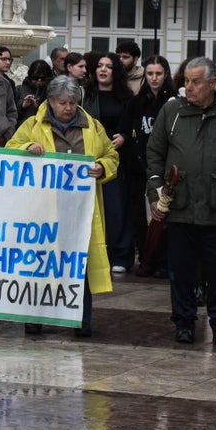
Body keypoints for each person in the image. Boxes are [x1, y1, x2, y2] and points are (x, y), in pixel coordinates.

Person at [147, 57, 216, 347]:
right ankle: (183, 322)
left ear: (213, 82)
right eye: (186, 80)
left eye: (196, 81)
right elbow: (154, 156)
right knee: (181, 271)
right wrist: (155, 193)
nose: (189, 87)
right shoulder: (172, 110)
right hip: (180, 205)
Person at [7, 75, 118, 338]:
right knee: (40, 263)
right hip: (43, 209)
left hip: (81, 210)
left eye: (72, 102)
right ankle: (34, 317)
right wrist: (26, 147)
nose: (68, 107)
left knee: (79, 264)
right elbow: (10, 149)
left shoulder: (92, 126)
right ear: (51, 101)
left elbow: (111, 155)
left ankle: (81, 318)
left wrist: (103, 168)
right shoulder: (33, 124)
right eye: (62, 102)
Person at [123, 56, 176, 277]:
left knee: (163, 216)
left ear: (166, 74)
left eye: (158, 73)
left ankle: (164, 260)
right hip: (139, 167)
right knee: (139, 216)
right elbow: (127, 130)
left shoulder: (174, 102)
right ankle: (146, 258)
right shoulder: (136, 102)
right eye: (150, 73)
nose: (154, 78)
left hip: (165, 169)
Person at [84, 53, 134, 272]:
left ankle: (119, 254)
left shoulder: (125, 96)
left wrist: (124, 135)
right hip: (88, 156)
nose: (103, 70)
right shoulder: (86, 95)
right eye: (100, 66)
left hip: (114, 157)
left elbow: (131, 122)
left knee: (116, 207)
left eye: (109, 67)